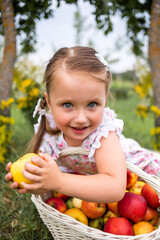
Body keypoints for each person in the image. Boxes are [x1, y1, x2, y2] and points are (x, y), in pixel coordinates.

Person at [5, 46, 160, 203]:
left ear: (105, 101)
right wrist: (31, 181)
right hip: (90, 191)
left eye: (92, 104)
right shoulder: (50, 134)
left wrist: (59, 181)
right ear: (49, 102)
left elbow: (115, 189)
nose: (80, 118)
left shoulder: (103, 136)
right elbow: (49, 185)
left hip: (141, 180)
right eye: (67, 105)